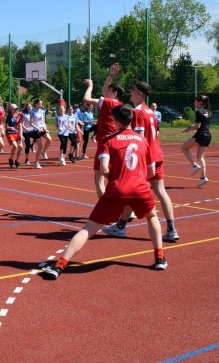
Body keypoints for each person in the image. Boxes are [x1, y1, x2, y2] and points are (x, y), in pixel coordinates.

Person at [42, 104, 166, 279]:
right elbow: (151, 171)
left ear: (115, 121)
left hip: (117, 188)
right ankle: (160, 258)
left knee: (89, 228)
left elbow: (104, 169)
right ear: (131, 120)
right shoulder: (142, 140)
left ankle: (60, 265)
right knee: (152, 216)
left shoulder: (109, 139)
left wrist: (118, 177)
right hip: (141, 188)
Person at [104, 80, 179, 242]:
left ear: (140, 94)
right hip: (157, 154)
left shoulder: (137, 112)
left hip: (146, 158)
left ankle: (121, 226)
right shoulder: (150, 111)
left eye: (133, 89)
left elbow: (139, 138)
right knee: (160, 192)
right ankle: (171, 228)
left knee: (132, 189)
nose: (130, 92)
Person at [83, 63, 124, 192]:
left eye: (109, 91)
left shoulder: (107, 101)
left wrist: (90, 86)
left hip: (106, 141)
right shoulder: (120, 103)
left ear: (114, 93)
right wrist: (111, 75)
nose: (106, 92)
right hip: (117, 140)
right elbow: (104, 90)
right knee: (115, 173)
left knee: (99, 176)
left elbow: (86, 99)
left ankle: (106, 202)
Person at [182, 95, 212, 187]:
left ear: (200, 102)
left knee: (184, 148)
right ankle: (203, 178)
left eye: (195, 101)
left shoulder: (198, 111)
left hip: (201, 135)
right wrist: (191, 126)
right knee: (200, 156)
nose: (194, 102)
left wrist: (188, 130)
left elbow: (198, 126)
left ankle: (194, 165)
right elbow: (202, 124)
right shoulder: (207, 111)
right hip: (208, 135)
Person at [30, 99, 51, 164]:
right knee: (40, 146)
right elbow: (31, 123)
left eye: (41, 104)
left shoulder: (42, 111)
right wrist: (37, 128)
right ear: (36, 104)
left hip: (42, 129)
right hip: (36, 130)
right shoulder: (32, 112)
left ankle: (44, 151)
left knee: (49, 139)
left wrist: (45, 129)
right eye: (39, 104)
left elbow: (43, 122)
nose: (40, 105)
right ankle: (36, 162)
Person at [4, 103, 23, 168]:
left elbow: (20, 126)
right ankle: (11, 159)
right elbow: (6, 127)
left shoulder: (18, 116)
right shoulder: (8, 117)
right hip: (10, 133)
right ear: (11, 109)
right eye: (14, 109)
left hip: (16, 133)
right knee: (15, 146)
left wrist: (21, 134)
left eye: (16, 109)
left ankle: (17, 160)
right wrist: (10, 128)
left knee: (21, 146)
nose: (16, 110)